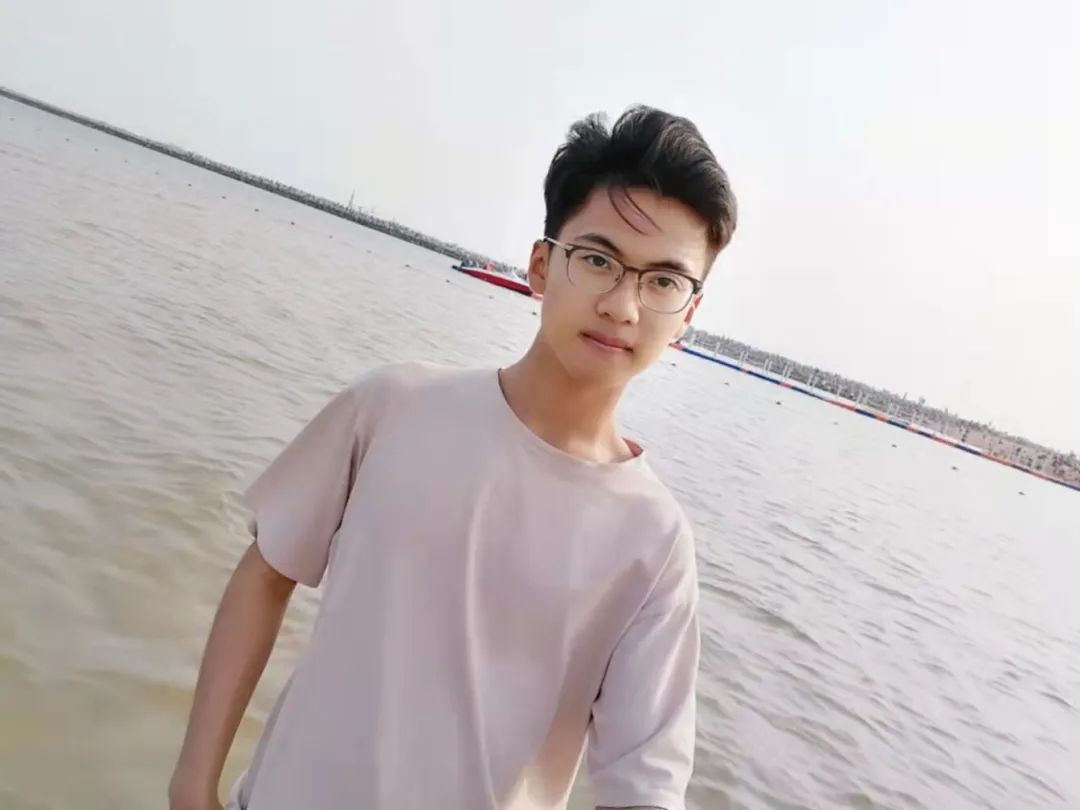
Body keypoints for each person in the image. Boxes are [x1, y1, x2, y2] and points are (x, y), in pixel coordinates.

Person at [169, 105, 736, 810]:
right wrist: (193, 786)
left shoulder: (653, 542)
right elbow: (266, 573)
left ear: (687, 316)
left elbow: (644, 780)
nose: (623, 305)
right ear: (541, 265)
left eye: (663, 282)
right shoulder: (393, 407)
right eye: (598, 260)